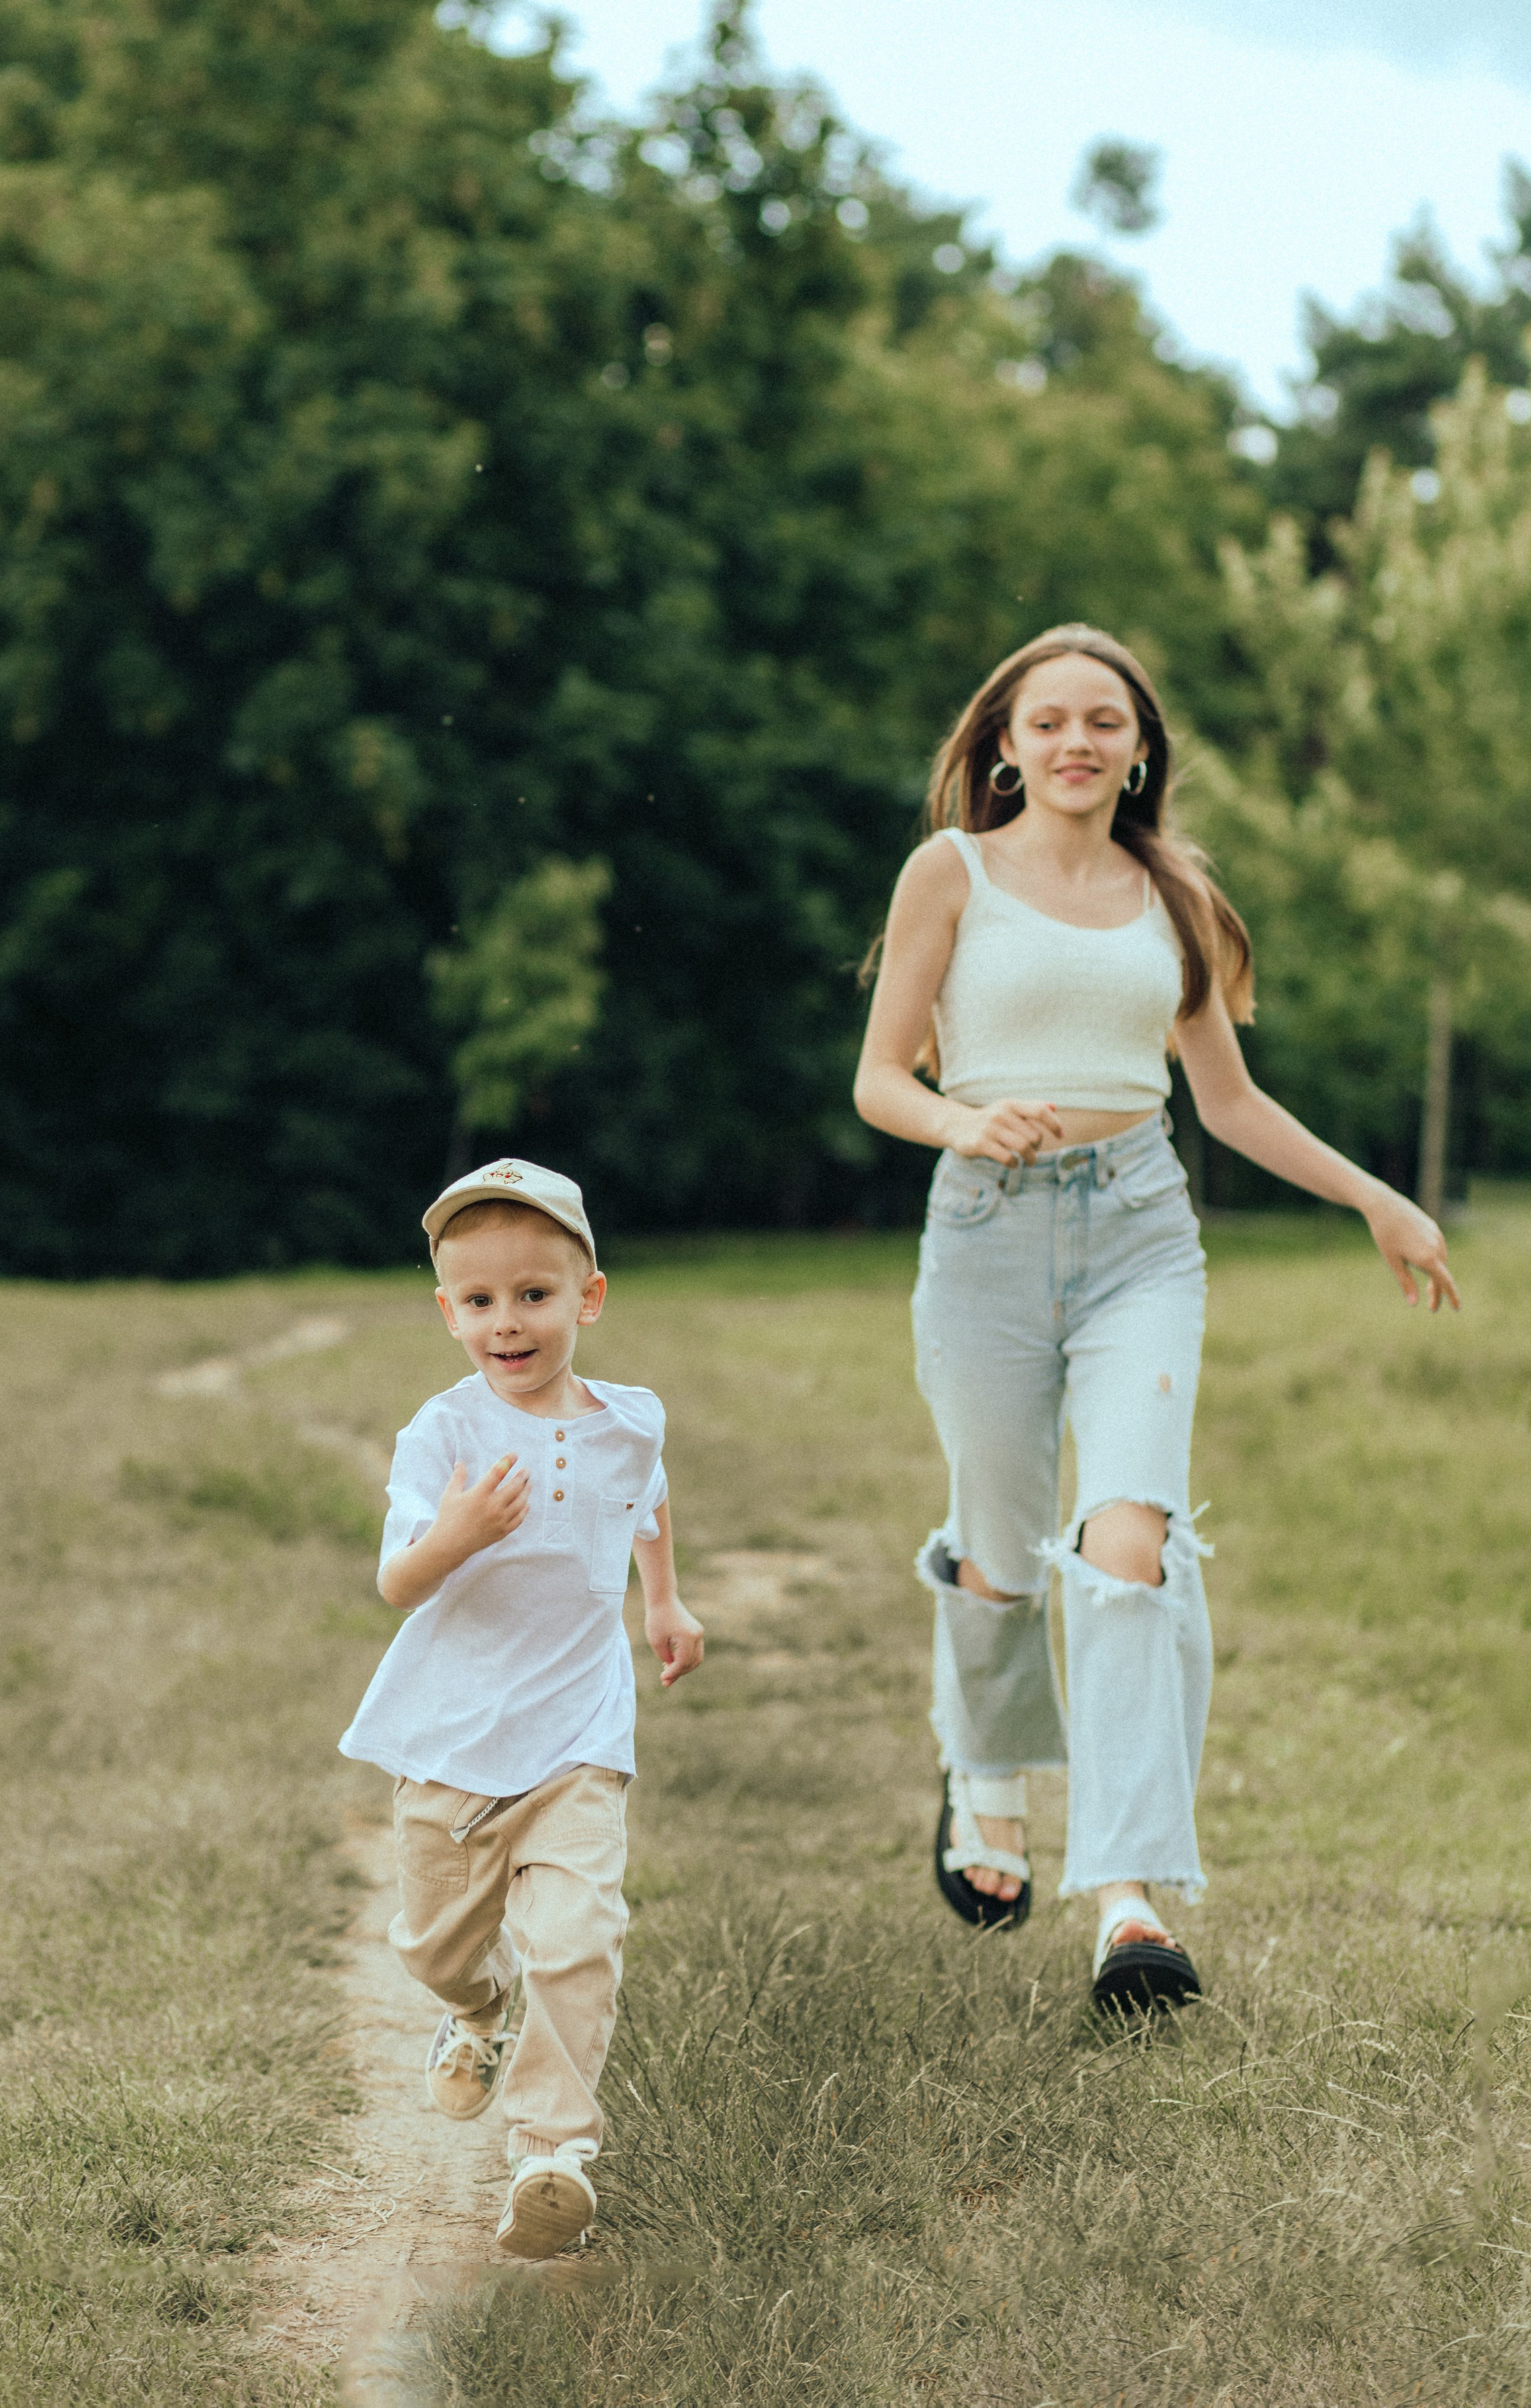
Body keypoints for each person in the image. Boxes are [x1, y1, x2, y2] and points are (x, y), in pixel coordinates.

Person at [852, 626, 1458, 2013]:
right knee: (1000, 1547)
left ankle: (1126, 1896)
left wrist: (1377, 1199)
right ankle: (986, 1775)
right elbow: (879, 1079)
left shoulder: (1169, 890)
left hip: (1138, 1230)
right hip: (986, 1229)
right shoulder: (947, 872)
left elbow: (1225, 1102)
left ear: (1138, 751)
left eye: (1103, 723)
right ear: (1001, 746)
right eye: (1047, 721)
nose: (1075, 743)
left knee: (1129, 1535)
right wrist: (961, 1116)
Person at [339, 1158, 705, 2253]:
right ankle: (475, 2009)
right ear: (448, 1313)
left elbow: (646, 1498)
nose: (512, 1321)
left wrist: (667, 1600)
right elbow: (398, 1581)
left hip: (579, 1736)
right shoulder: (443, 1437)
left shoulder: (628, 1420)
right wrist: (455, 1537)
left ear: (587, 1298)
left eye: (536, 1295)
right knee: (436, 1946)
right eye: (483, 1301)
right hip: (452, 1738)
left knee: (579, 1931)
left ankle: (553, 2155)